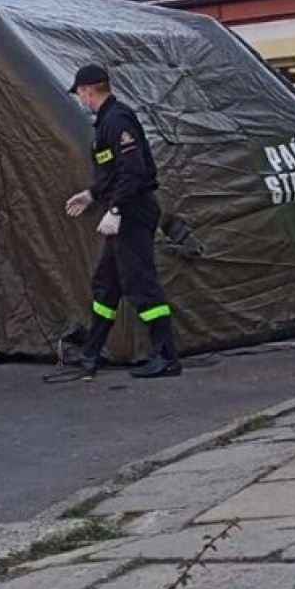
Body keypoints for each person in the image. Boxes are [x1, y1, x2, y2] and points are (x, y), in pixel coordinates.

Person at [63, 63, 180, 378]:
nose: (80, 100)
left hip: (133, 210)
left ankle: (166, 356)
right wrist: (92, 194)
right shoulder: (105, 123)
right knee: (107, 283)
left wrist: (116, 210)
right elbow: (113, 172)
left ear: (88, 90)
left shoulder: (117, 120)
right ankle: (91, 351)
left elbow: (133, 171)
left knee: (139, 281)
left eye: (81, 94)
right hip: (125, 207)